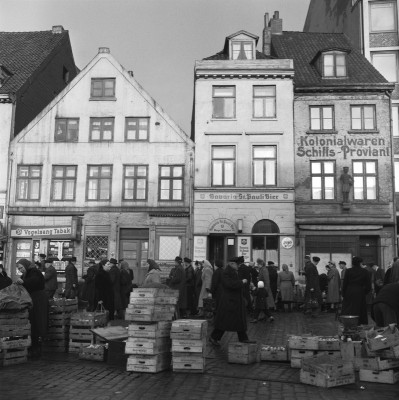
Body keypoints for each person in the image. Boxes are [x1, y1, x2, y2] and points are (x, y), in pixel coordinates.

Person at [209, 256, 254, 346]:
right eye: (238, 265)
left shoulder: (234, 271)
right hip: (229, 301)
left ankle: (243, 338)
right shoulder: (226, 272)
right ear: (232, 264)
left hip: (235, 300)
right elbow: (229, 284)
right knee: (225, 321)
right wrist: (242, 282)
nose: (239, 266)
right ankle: (214, 337)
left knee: (237, 320)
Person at [15, 258, 48, 358]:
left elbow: (33, 281)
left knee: (37, 321)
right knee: (32, 322)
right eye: (19, 269)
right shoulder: (25, 274)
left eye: (21, 268)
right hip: (31, 300)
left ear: (25, 265)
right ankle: (33, 346)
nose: (20, 270)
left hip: (38, 300)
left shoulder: (34, 272)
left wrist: (23, 282)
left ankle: (37, 347)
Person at [341, 256, 371, 325]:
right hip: (360, 292)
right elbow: (368, 286)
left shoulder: (348, 271)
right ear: (360, 263)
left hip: (349, 291)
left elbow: (345, 283)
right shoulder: (365, 271)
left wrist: (343, 294)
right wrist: (364, 292)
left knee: (349, 309)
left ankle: (349, 323)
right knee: (360, 310)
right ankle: (359, 323)